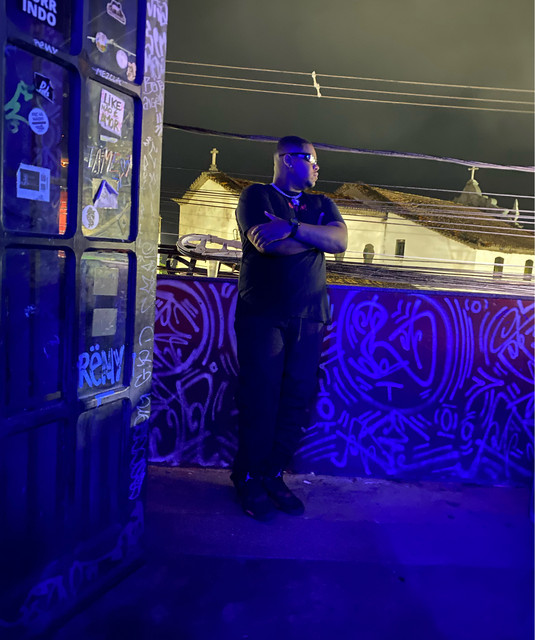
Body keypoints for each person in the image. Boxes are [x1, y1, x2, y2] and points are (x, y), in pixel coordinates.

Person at [232, 135, 348, 521]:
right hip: (263, 315)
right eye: (311, 160)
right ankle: (248, 477)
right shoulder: (256, 196)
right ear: (286, 160)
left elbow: (340, 241)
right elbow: (269, 245)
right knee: (260, 398)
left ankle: (272, 473)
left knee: (296, 399)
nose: (317, 167)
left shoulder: (321, 203)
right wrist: (316, 239)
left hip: (310, 316)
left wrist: (292, 227)